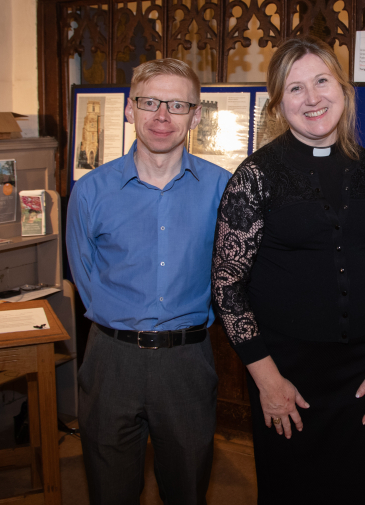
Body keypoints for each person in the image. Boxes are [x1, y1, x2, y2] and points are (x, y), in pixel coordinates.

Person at [212, 35, 365, 505]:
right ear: (279, 104)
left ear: (344, 89)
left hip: (364, 375)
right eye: (295, 88)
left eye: (322, 81)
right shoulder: (255, 177)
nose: (313, 98)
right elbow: (227, 287)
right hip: (286, 377)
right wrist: (267, 379)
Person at [66, 58, 230, 505]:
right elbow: (84, 274)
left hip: (187, 363)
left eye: (177, 105)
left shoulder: (223, 189)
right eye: (150, 102)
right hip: (109, 362)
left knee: (188, 491)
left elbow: (234, 278)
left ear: (196, 115)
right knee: (109, 491)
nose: (162, 116)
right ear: (128, 109)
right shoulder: (91, 192)